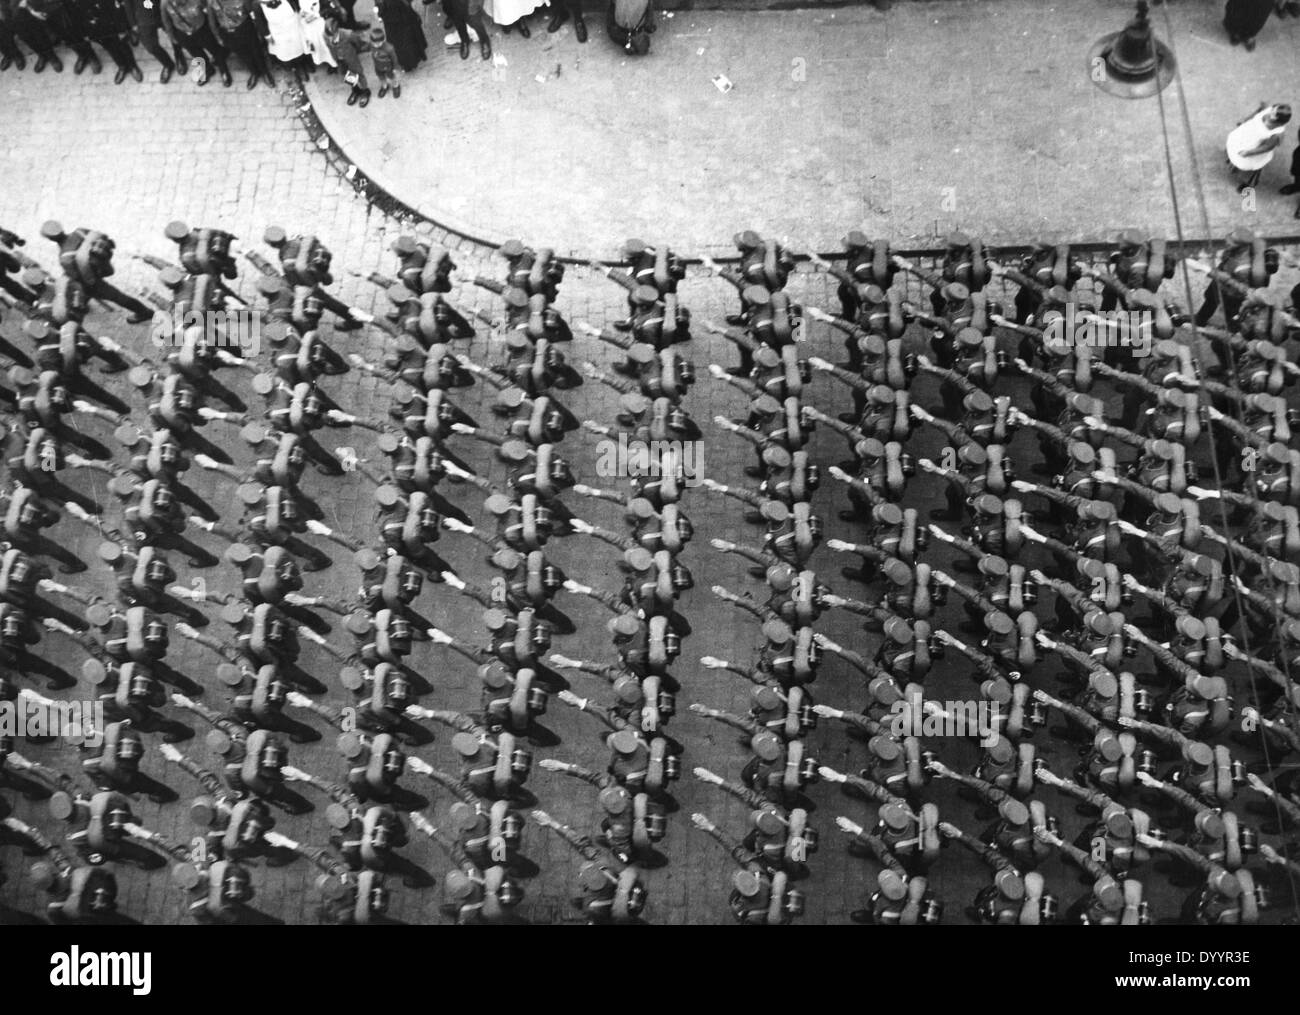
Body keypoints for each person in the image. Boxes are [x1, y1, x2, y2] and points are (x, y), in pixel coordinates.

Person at [1226, 102, 1291, 192]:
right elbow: (1257, 113)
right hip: (1244, 137)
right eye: (1273, 109)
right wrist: (1245, 120)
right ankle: (1233, 164)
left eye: (1273, 114)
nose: (1270, 112)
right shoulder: (1269, 110)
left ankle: (1248, 184)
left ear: (1279, 120)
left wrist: (1248, 152)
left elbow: (1267, 147)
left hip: (1253, 148)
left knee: (1250, 170)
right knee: (1235, 154)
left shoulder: (1277, 133)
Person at [325, 16, 369, 105]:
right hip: (339, 60)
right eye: (329, 36)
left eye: (333, 35)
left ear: (337, 30)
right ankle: (355, 90)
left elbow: (357, 43)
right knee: (347, 74)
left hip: (351, 58)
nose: (330, 38)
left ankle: (365, 90)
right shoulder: (325, 35)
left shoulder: (348, 34)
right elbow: (329, 46)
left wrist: (354, 51)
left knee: (359, 73)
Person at [372, 0, 423, 70]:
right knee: (406, 37)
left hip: (391, 16)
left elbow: (379, 10)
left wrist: (378, 13)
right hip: (399, 12)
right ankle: (411, 60)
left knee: (399, 40)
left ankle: (406, 62)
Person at [257, 0, 306, 69]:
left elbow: (295, 4)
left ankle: (302, 64)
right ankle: (292, 68)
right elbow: (260, 22)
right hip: (277, 31)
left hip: (293, 26)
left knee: (298, 46)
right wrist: (267, 35)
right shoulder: (257, 5)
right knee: (285, 51)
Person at [368, 24, 398, 96]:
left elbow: (394, 59)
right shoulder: (371, 45)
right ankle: (385, 86)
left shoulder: (389, 48)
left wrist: (395, 68)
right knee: (381, 77)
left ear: (383, 40)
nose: (376, 45)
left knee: (391, 77)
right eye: (374, 43)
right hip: (378, 66)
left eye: (379, 43)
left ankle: (395, 86)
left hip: (388, 67)